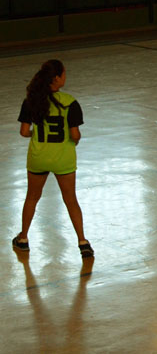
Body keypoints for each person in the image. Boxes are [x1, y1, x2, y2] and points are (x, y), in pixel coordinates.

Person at [13, 60, 93, 258]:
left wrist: (38, 135)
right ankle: (83, 243)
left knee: (32, 197)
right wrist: (75, 140)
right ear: (56, 78)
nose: (66, 77)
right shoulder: (70, 102)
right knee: (70, 200)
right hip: (63, 158)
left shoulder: (31, 100)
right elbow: (75, 135)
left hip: (38, 157)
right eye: (64, 74)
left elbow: (24, 132)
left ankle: (23, 238)